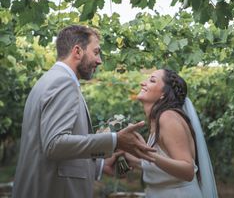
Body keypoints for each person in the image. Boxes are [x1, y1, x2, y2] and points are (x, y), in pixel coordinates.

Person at [12, 25, 155, 198]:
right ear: (77, 51)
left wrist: (100, 165)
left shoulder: (50, 80)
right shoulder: (63, 82)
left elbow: (49, 150)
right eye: (96, 52)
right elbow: (54, 144)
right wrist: (115, 140)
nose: (100, 60)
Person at [124, 69, 219, 198]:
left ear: (163, 93)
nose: (142, 83)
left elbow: (188, 170)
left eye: (151, 80)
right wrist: (125, 151)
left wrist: (146, 153)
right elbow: (161, 166)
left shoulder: (167, 118)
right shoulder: (157, 120)